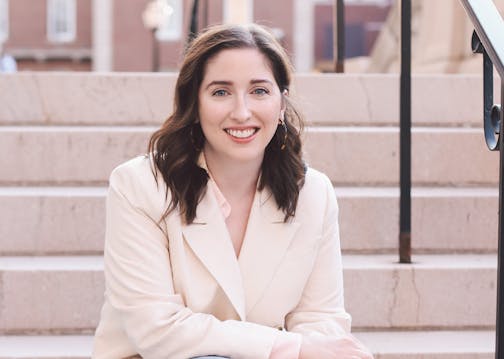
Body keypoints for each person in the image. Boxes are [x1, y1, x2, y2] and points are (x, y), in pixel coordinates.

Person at [92, 23, 373, 359]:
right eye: (221, 92)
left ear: (281, 104)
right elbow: (158, 330)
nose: (242, 112)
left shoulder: (313, 193)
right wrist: (290, 347)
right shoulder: (140, 185)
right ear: (194, 104)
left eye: (259, 91)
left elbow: (321, 320)